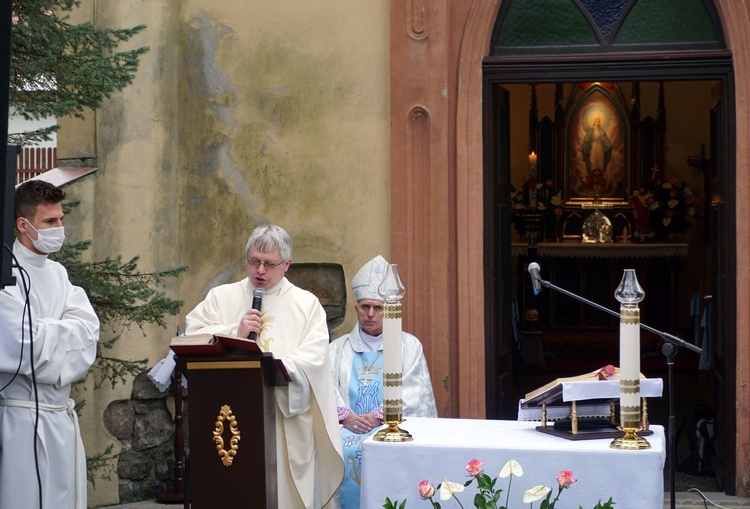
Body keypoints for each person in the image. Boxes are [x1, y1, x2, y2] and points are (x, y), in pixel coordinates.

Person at [184, 224, 344, 509]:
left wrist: (274, 369)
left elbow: (314, 359)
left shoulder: (306, 305)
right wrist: (235, 330)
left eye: (269, 264)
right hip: (229, 416)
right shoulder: (221, 297)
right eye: (254, 261)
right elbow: (191, 334)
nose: (260, 271)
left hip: (282, 421)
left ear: (287, 265)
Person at [0, 180, 100, 509]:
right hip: (19, 422)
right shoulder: (6, 277)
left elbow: (88, 334)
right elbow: (22, 346)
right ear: (23, 225)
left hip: (60, 417)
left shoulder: (58, 274)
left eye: (60, 219)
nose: (59, 228)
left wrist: (46, 330)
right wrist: (62, 331)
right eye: (49, 222)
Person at [329, 255, 437, 509]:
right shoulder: (336, 349)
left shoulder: (408, 346)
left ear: (388, 309)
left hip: (392, 431)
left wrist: (380, 417)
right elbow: (325, 390)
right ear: (356, 308)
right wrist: (345, 416)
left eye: (378, 308)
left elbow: (415, 394)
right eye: (365, 306)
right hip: (346, 430)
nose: (370, 314)